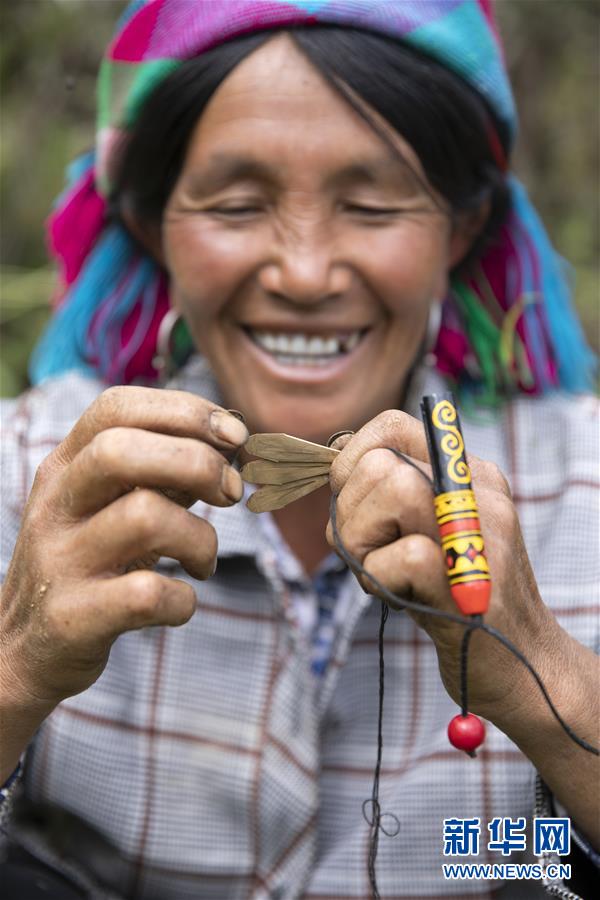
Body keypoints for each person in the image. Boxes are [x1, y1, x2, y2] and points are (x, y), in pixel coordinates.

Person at [0, 1, 598, 898]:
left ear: (460, 228)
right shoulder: (29, 473)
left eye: (370, 204)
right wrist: (16, 669)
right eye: (237, 205)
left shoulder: (584, 489)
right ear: (156, 222)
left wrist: (548, 675)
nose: (306, 273)